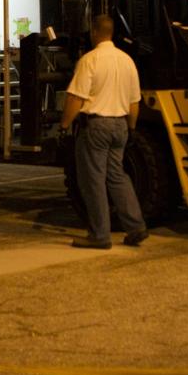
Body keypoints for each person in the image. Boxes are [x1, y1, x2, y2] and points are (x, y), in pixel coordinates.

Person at [59, 14, 148, 249]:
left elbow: (75, 97)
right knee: (117, 176)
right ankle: (136, 226)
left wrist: (64, 126)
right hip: (120, 125)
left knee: (93, 180)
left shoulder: (90, 60)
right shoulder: (127, 60)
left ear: (94, 32)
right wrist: (131, 129)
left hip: (96, 126)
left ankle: (100, 235)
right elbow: (134, 103)